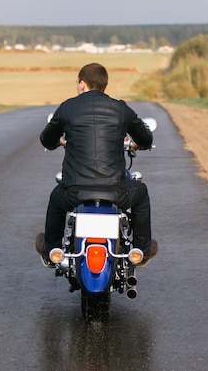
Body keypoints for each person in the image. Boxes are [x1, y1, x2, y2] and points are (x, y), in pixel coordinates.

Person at [35, 63, 158, 267]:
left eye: (77, 82)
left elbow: (47, 140)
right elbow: (146, 139)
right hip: (116, 191)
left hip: (75, 191)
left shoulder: (67, 107)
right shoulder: (121, 108)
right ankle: (142, 250)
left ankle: (51, 251)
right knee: (141, 192)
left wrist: (61, 142)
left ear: (82, 84)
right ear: (104, 85)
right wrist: (136, 145)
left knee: (56, 198)